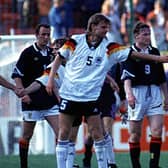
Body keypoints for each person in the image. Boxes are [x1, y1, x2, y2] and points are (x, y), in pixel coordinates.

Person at [46, 13, 168, 168]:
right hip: (70, 95)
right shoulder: (75, 40)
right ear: (93, 26)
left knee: (98, 134)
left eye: (108, 27)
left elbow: (133, 54)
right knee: (64, 134)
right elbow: (59, 57)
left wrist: (159, 59)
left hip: (90, 98)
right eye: (103, 27)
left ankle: (105, 165)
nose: (106, 30)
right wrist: (50, 79)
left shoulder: (110, 46)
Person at [121, 21, 168, 168]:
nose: (148, 37)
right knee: (135, 134)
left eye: (149, 34)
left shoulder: (154, 51)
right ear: (136, 36)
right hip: (137, 93)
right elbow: (126, 78)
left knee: (157, 130)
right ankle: (136, 165)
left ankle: (154, 164)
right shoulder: (129, 53)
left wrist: (166, 96)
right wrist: (129, 95)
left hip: (154, 92)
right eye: (144, 34)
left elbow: (161, 78)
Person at [11, 23, 57, 168]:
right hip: (31, 100)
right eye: (43, 34)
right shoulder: (28, 53)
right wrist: (21, 92)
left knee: (62, 133)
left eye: (48, 34)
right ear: (36, 35)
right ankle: (23, 165)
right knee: (27, 136)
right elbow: (17, 74)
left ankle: (66, 164)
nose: (46, 37)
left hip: (50, 100)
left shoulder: (52, 53)